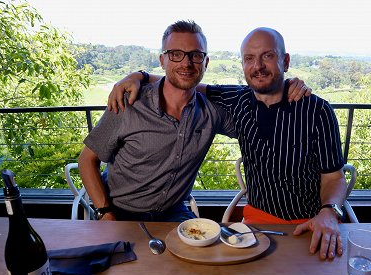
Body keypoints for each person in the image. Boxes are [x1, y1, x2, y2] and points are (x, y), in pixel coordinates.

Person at [107, 27, 346, 260]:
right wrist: (139, 76)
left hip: (310, 223)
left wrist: (329, 212)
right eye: (249, 58)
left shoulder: (317, 110)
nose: (258, 66)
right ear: (242, 64)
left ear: (285, 60)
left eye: (268, 56)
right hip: (255, 224)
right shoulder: (236, 100)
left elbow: (334, 178)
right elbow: (181, 81)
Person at [78, 21, 309, 224]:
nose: (186, 63)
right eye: (176, 54)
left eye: (195, 55)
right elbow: (87, 160)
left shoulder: (212, 113)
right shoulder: (129, 103)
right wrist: (105, 211)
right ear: (162, 60)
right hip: (120, 213)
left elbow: (261, 108)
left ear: (205, 62)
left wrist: (287, 87)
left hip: (174, 213)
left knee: (206, 264)